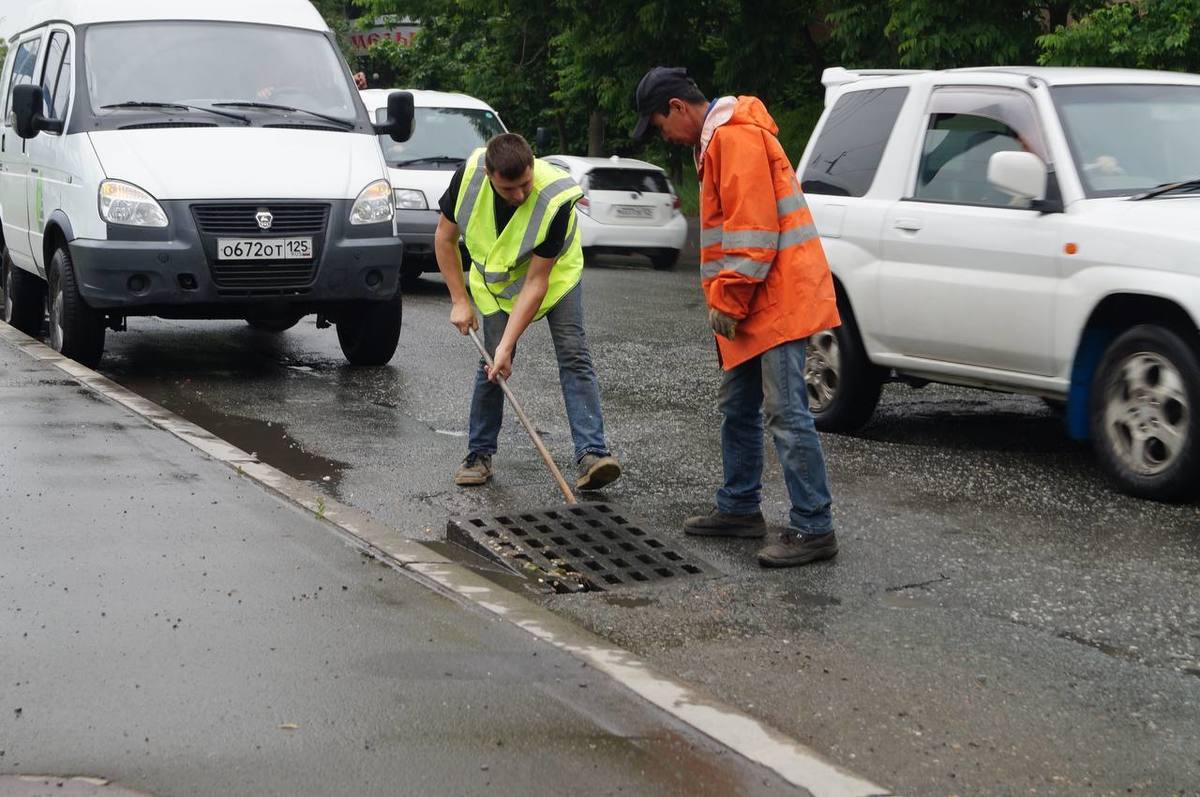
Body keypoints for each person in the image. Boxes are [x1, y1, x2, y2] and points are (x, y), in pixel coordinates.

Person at [631, 67, 842, 568]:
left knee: (786, 413)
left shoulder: (736, 138)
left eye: (661, 125)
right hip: (755, 299)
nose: (666, 137)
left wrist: (727, 300)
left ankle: (815, 527)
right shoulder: (719, 142)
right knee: (738, 405)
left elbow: (754, 231)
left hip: (773, 299)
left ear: (679, 108)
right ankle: (740, 507)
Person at [433, 133, 621, 491]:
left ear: (533, 166)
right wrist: (460, 299)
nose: (520, 195)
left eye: (525, 184)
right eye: (509, 189)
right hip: (498, 282)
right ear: (490, 176)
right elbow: (444, 238)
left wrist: (508, 344)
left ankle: (593, 454)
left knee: (573, 354)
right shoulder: (468, 177)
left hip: (553, 277)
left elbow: (537, 283)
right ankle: (479, 455)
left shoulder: (556, 197)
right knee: (490, 364)